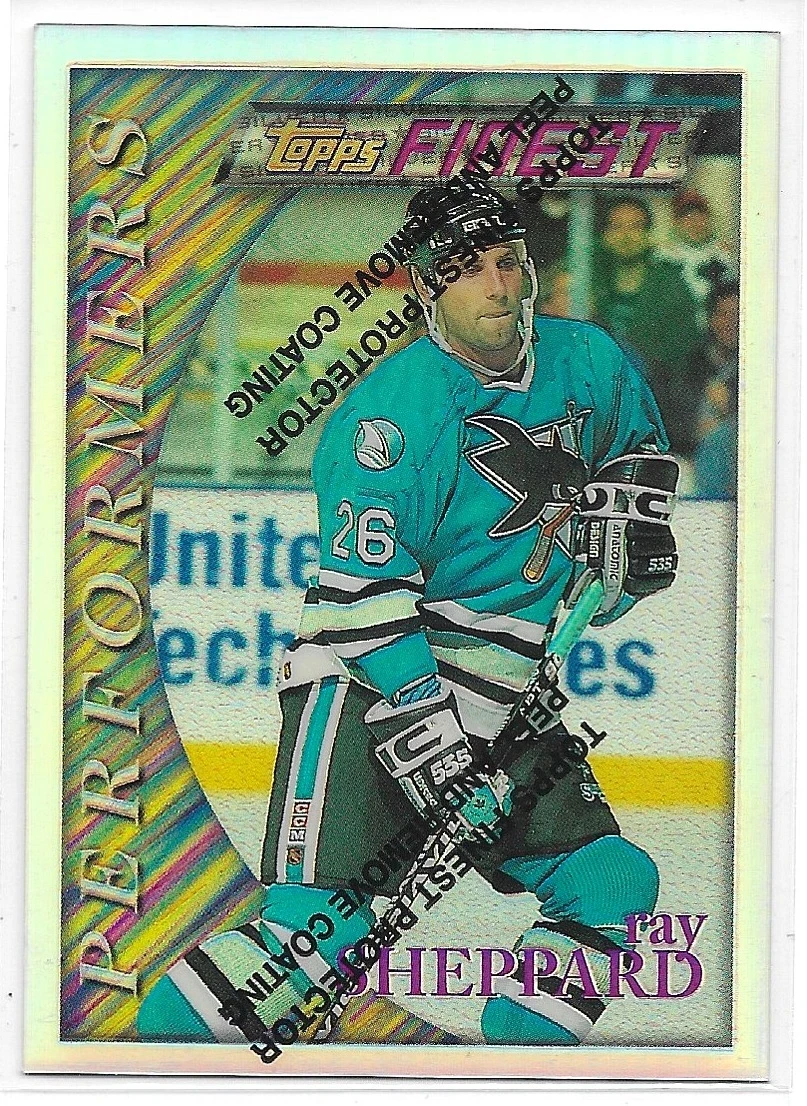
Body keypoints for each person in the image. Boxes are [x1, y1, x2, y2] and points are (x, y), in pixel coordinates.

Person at [138, 184, 680, 1049]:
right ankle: (137, 1070)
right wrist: (433, 740)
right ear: (426, 288)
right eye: (466, 271)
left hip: (506, 690)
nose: (496, 286)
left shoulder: (590, 361)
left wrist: (626, 561)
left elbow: (634, 474)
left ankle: (520, 1076)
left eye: (507, 262)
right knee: (313, 943)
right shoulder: (389, 416)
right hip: (367, 685)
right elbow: (363, 600)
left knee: (608, 885)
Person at [592, 197, 703, 455]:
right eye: (617, 227)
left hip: (657, 400)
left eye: (635, 227)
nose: (626, 236)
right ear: (604, 235)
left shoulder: (670, 281)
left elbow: (684, 348)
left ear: (648, 233)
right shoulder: (588, 277)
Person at [690, 281, 740, 499]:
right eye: (723, 315)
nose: (730, 323)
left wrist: (728, 408)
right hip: (695, 456)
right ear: (711, 319)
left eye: (736, 315)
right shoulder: (693, 363)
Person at [657, 189, 737, 307]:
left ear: (709, 219)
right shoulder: (664, 257)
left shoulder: (725, 255)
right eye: (686, 217)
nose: (694, 222)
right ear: (675, 222)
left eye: (700, 215)